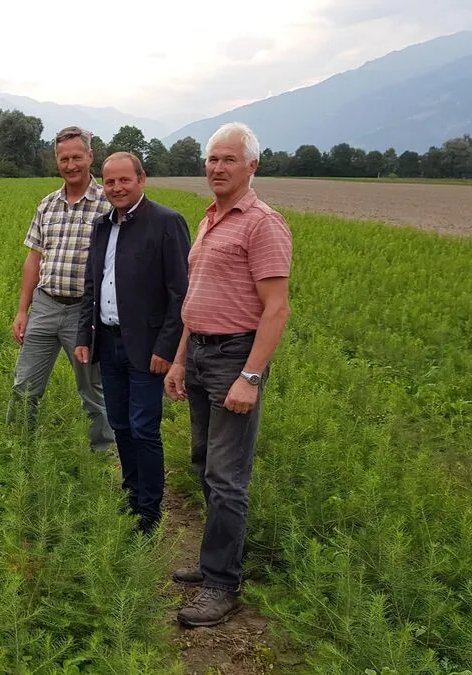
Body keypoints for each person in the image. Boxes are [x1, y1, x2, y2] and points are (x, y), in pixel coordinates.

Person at [164, 122, 293, 628]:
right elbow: (194, 300)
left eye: (229, 160)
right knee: (202, 461)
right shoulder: (211, 219)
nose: (217, 168)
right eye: (212, 159)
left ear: (252, 166)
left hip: (234, 358)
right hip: (197, 352)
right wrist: (178, 359)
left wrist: (251, 376)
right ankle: (213, 558)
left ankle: (223, 584)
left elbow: (277, 309)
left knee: (227, 475)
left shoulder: (264, 224)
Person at [75, 151, 191, 535]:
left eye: (125, 180)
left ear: (142, 180)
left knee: (144, 427)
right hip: (108, 342)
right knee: (121, 423)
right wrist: (84, 336)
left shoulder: (167, 223)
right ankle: (131, 494)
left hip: (146, 348)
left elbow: (180, 293)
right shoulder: (102, 226)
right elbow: (93, 285)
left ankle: (149, 512)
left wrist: (166, 348)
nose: (117, 188)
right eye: (109, 182)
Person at [7, 126, 116, 451]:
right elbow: (33, 259)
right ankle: (17, 453)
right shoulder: (48, 205)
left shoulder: (106, 204)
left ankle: (102, 456)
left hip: (84, 314)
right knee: (24, 385)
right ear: (57, 160)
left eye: (76, 157)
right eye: (64, 158)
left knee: (92, 390)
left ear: (90, 157)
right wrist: (23, 310)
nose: (70, 165)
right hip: (44, 305)